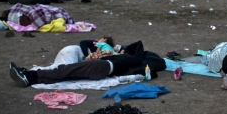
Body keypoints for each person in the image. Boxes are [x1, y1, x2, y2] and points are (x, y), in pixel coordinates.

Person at [9, 41, 145, 87]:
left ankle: (28, 73)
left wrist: (127, 49)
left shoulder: (129, 58)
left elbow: (139, 44)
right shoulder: (125, 59)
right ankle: (31, 80)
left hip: (100, 67)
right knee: (66, 76)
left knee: (65, 70)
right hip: (101, 71)